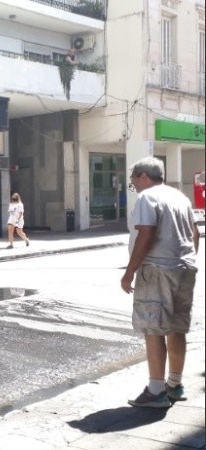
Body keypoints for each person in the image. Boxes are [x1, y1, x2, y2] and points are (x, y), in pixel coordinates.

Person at [121, 156, 200, 408]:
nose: (132, 182)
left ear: (144, 176)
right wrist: (186, 258)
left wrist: (130, 271)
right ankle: (174, 385)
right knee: (176, 328)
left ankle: (156, 391)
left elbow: (146, 233)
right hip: (184, 268)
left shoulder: (147, 196)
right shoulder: (180, 197)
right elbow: (195, 233)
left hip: (157, 269)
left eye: (133, 178)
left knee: (153, 329)